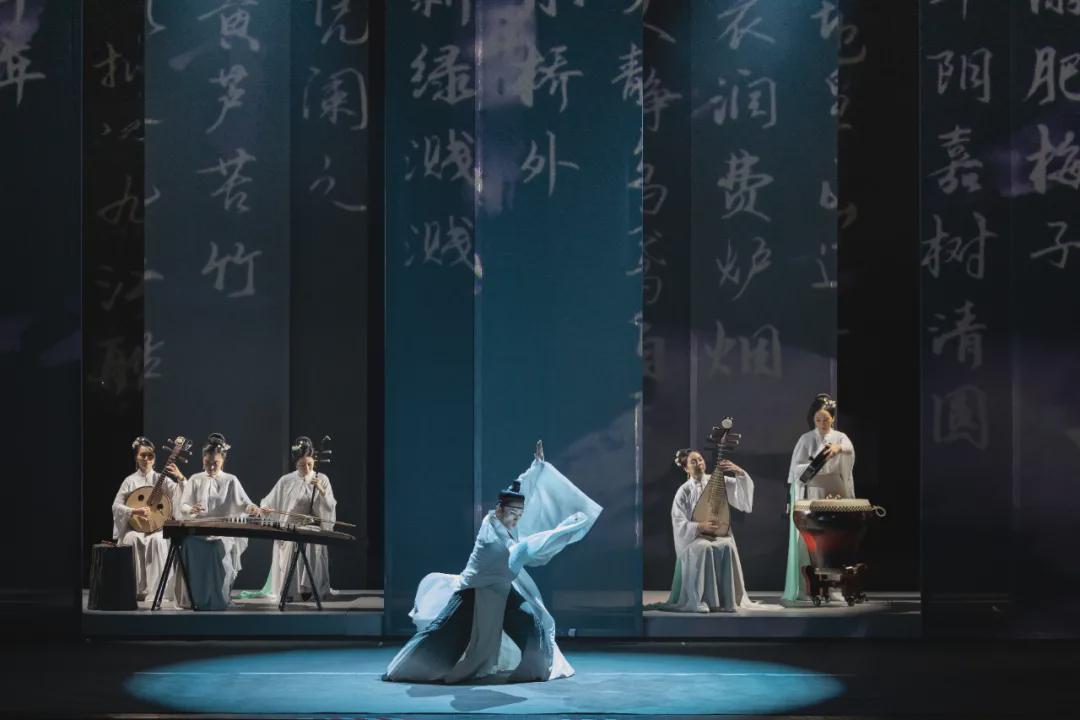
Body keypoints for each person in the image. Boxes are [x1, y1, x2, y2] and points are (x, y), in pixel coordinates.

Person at [383, 449, 601, 684]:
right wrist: (565, 530)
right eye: (512, 513)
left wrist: (536, 467)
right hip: (474, 592)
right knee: (441, 634)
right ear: (499, 510)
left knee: (533, 629)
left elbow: (522, 489)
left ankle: (534, 670)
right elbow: (523, 549)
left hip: (502, 590)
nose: (516, 518)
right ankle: (403, 670)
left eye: (519, 514)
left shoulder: (509, 523)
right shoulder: (491, 533)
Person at [648, 448, 756, 613]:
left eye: (700, 459)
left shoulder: (716, 481)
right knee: (704, 547)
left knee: (727, 545)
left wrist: (739, 472)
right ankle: (699, 600)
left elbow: (741, 496)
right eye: (693, 461)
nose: (699, 463)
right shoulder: (684, 491)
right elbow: (678, 522)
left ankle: (726, 601)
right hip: (694, 538)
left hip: (717, 534)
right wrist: (700, 526)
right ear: (686, 468)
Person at [172, 433, 266, 609]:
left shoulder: (230, 480)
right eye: (207, 462)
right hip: (198, 531)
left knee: (215, 548)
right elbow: (183, 504)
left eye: (215, 463)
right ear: (203, 460)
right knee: (189, 544)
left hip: (222, 533)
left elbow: (244, 503)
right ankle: (193, 599)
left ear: (223, 461)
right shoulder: (195, 479)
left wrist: (252, 508)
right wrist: (190, 509)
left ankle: (216, 598)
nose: (211, 466)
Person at [782, 393, 856, 602]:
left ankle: (835, 588)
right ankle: (811, 587)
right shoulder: (806, 439)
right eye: (818, 419)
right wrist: (816, 463)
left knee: (835, 538)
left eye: (826, 419)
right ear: (813, 419)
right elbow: (796, 470)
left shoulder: (840, 436)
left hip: (836, 488)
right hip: (814, 491)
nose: (822, 423)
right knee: (816, 539)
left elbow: (849, 451)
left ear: (833, 418)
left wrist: (838, 449)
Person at [259, 436, 337, 601]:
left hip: (313, 526)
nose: (306, 469)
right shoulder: (286, 480)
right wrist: (265, 508)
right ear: (296, 464)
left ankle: (308, 588)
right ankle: (291, 591)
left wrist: (321, 490)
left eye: (310, 464)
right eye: (302, 465)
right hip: (291, 527)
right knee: (292, 542)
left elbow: (330, 507)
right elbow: (268, 501)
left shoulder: (322, 479)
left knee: (311, 541)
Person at [110, 436, 185, 602]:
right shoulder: (130, 481)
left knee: (157, 541)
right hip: (135, 527)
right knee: (131, 538)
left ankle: (158, 591)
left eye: (150, 456)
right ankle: (135, 590)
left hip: (157, 528)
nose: (146, 459)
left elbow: (182, 496)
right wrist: (134, 511)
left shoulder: (161, 479)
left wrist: (180, 478)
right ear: (136, 458)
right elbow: (116, 506)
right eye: (142, 455)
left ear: (154, 458)